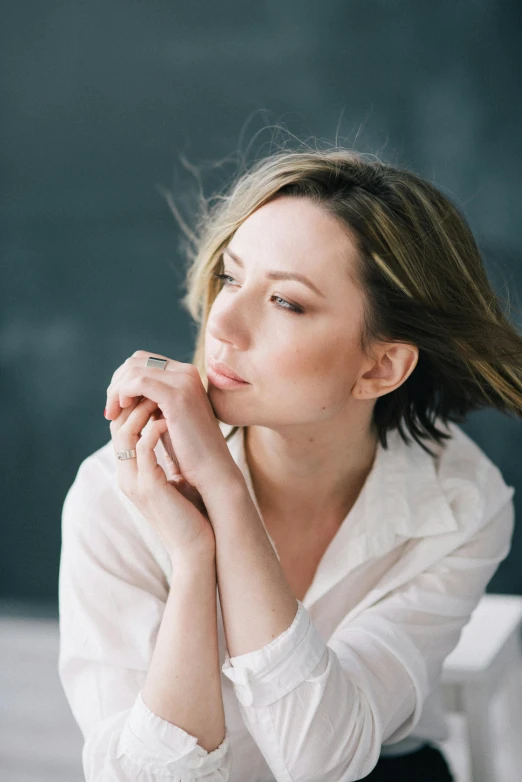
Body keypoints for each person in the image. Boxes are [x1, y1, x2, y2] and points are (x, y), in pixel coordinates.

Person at [58, 140, 521, 782]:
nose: (224, 321)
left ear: (380, 366)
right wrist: (195, 560)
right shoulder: (118, 491)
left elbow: (323, 763)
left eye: (287, 302)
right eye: (231, 276)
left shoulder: (459, 504)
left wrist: (225, 494)